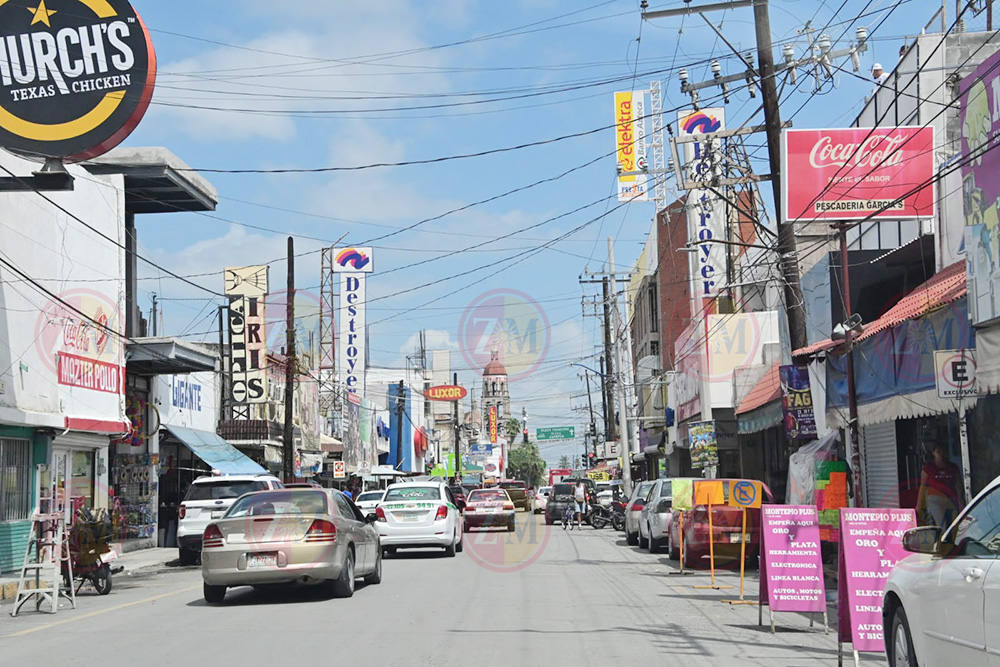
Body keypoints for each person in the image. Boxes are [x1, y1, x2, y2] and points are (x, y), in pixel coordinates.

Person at [917, 443, 962, 529]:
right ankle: (944, 541)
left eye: (943, 451)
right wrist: (919, 504)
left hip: (950, 499)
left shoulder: (953, 467)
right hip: (935, 500)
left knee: (955, 526)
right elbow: (922, 486)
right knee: (943, 526)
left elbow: (958, 485)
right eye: (938, 451)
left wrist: (960, 501)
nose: (941, 454)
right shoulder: (929, 467)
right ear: (933, 452)